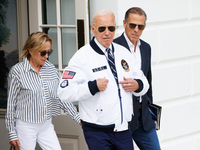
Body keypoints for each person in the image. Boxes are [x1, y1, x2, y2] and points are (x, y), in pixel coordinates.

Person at [57, 10, 149, 150]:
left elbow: (144, 81)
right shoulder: (81, 57)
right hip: (97, 131)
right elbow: (63, 92)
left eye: (111, 28)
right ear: (93, 29)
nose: (107, 32)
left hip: (123, 128)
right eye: (102, 28)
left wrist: (137, 85)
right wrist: (92, 87)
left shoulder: (124, 52)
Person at [5, 31, 80, 150]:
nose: (46, 56)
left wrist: (78, 118)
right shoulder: (17, 72)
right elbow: (11, 105)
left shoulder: (51, 69)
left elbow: (60, 97)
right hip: (25, 125)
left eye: (49, 52)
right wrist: (12, 132)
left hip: (46, 125)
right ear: (30, 50)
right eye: (43, 52)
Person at [114, 7, 161, 150]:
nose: (136, 30)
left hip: (144, 117)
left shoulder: (146, 47)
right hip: (123, 118)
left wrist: (151, 112)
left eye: (140, 26)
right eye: (132, 25)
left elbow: (148, 80)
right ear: (124, 23)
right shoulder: (113, 46)